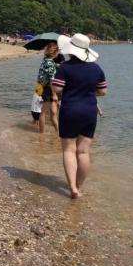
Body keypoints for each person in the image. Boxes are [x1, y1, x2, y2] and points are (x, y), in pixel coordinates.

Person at [51, 34, 107, 199]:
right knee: (83, 151)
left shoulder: (65, 67)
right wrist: (87, 91)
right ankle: (79, 186)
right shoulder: (96, 69)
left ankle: (72, 187)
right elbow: (103, 91)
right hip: (89, 111)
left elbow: (57, 89)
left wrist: (63, 84)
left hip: (70, 109)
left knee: (69, 149)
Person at [36, 42, 60, 133]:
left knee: (53, 112)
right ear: (54, 52)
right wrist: (54, 94)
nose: (58, 53)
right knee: (44, 112)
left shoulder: (45, 60)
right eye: (57, 51)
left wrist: (56, 65)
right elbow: (51, 80)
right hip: (48, 89)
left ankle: (57, 133)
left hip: (43, 87)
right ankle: (41, 134)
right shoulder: (50, 63)